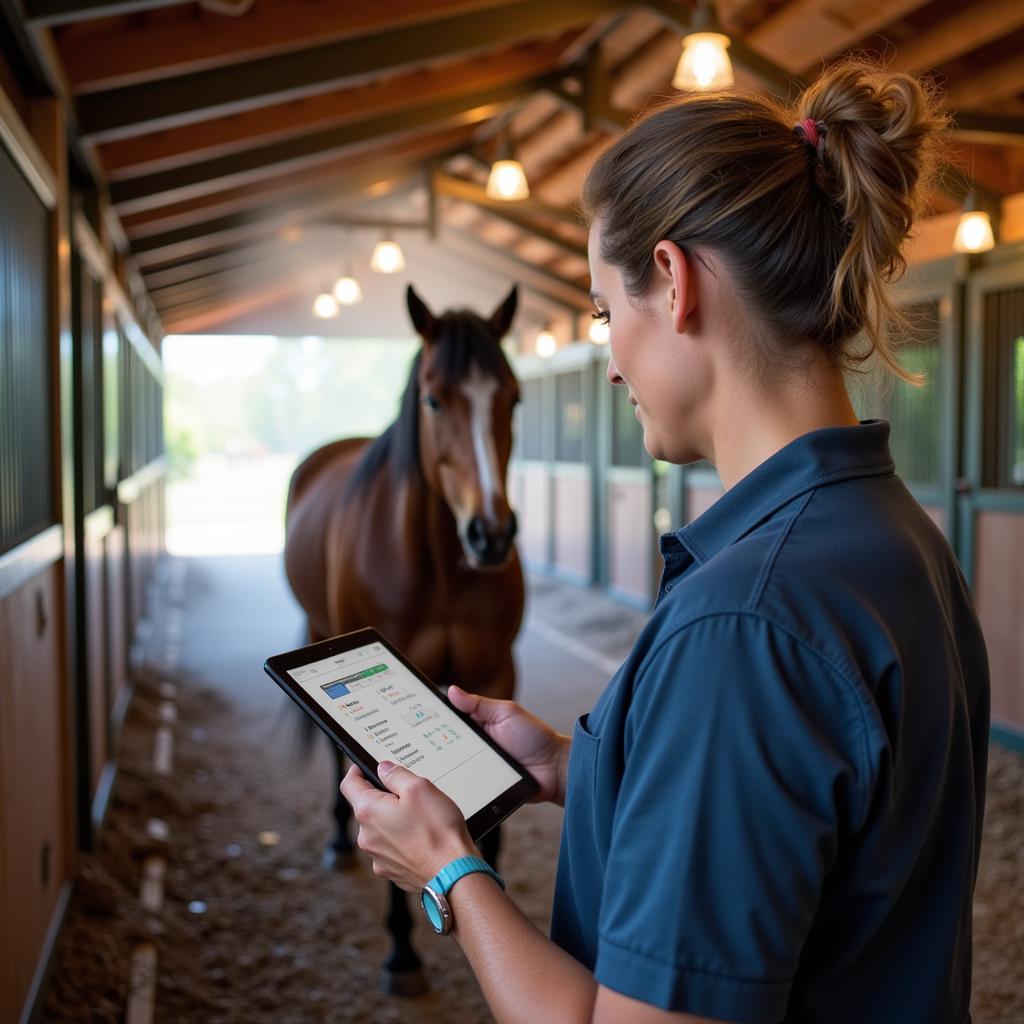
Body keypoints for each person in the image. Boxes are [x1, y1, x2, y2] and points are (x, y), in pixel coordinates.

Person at [341, 58, 990, 1024]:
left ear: (675, 284)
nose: (609, 362)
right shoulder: (896, 537)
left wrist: (448, 871)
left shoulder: (745, 624)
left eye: (607, 312)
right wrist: (573, 766)